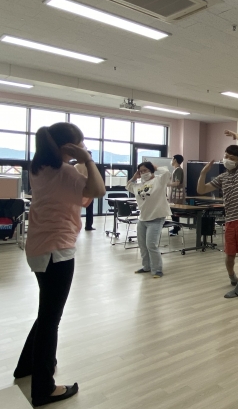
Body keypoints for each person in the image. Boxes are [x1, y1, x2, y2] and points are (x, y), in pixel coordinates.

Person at [14, 123, 105, 407]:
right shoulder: (65, 171)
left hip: (39, 248)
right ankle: (44, 388)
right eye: (80, 143)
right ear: (69, 146)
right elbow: (98, 190)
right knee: (51, 319)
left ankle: (26, 366)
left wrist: (80, 163)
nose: (83, 147)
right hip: (57, 251)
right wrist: (87, 160)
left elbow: (83, 198)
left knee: (47, 312)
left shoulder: (39, 168)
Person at [197, 130, 238, 299]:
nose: (227, 159)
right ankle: (232, 277)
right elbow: (201, 190)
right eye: (226, 156)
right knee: (229, 255)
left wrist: (236, 135)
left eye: (231, 157)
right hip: (230, 219)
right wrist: (203, 173)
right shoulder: (222, 177)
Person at [126, 162, 172, 278]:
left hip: (156, 218)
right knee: (142, 245)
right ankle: (146, 266)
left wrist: (157, 168)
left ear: (151, 170)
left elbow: (167, 173)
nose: (143, 173)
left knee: (151, 244)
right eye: (141, 171)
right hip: (143, 218)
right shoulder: (138, 185)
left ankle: (157, 270)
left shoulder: (159, 181)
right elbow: (128, 186)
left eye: (145, 170)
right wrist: (134, 177)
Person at [74, 151, 96, 231]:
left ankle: (75, 225)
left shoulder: (76, 166)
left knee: (75, 208)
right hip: (88, 190)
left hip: (77, 190)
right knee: (89, 209)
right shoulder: (91, 167)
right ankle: (88, 226)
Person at [168, 154, 185, 236]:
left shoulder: (178, 170)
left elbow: (177, 183)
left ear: (175, 160)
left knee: (175, 212)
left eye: (172, 159)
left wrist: (167, 184)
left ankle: (176, 228)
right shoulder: (175, 170)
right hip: (174, 194)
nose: (171, 160)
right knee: (173, 212)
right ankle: (175, 227)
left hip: (177, 194)